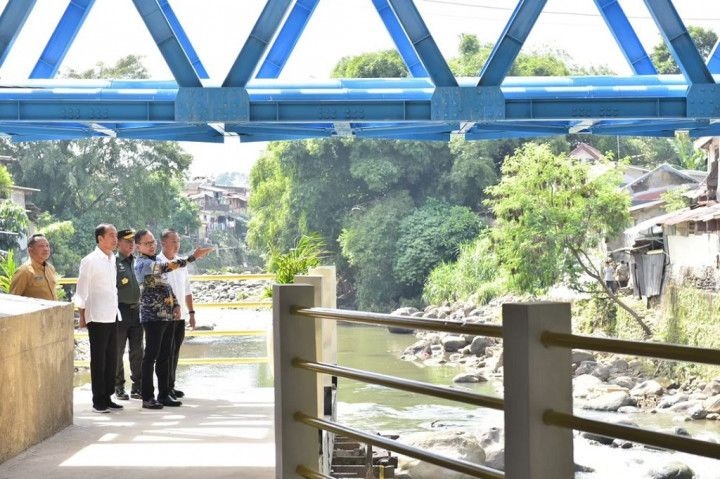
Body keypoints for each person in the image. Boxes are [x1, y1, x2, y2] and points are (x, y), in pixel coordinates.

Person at [134, 230, 212, 409]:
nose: (152, 245)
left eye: (152, 242)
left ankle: (164, 394)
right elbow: (166, 268)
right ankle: (147, 396)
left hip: (167, 316)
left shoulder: (156, 260)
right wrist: (191, 258)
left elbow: (166, 286)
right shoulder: (142, 264)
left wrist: (176, 304)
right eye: (147, 243)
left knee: (165, 356)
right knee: (151, 356)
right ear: (138, 247)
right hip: (152, 316)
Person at [73, 224, 123, 414]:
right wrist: (82, 315)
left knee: (112, 358)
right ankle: (98, 400)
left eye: (116, 236)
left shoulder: (112, 259)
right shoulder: (90, 260)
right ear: (100, 238)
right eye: (111, 235)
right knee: (99, 360)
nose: (115, 239)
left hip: (112, 314)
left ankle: (108, 396)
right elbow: (82, 289)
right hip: (97, 316)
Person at [158, 229, 196, 401]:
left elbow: (187, 290)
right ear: (163, 243)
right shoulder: (158, 263)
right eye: (173, 241)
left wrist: (192, 312)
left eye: (178, 241)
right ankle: (164, 390)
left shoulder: (181, 264)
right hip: (165, 316)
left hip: (179, 316)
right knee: (164, 353)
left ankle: (171, 387)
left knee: (175, 351)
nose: (176, 244)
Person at [115, 228, 143, 401]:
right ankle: (118, 386)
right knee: (118, 351)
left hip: (136, 310)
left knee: (137, 351)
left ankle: (137, 386)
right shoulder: (114, 262)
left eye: (133, 241)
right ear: (118, 243)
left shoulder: (135, 261)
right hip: (120, 310)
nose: (131, 244)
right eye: (127, 241)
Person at [9, 233, 58, 300]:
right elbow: (13, 299)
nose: (46, 249)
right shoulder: (24, 271)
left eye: (47, 246)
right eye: (41, 246)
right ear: (30, 250)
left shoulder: (50, 268)